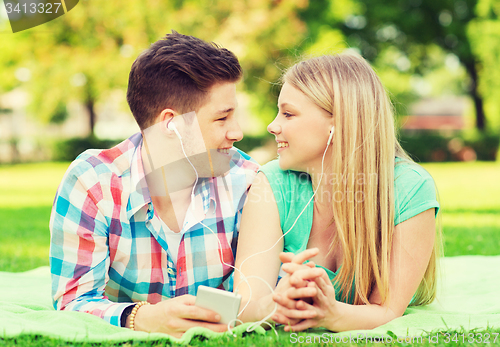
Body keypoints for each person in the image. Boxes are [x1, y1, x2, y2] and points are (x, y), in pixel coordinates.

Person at [49, 31, 259, 337]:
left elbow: (263, 293)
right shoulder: (92, 183)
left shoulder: (247, 180)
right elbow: (72, 301)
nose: (237, 132)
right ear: (171, 124)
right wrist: (143, 318)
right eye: (222, 118)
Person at [233, 53, 440, 332]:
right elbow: (247, 304)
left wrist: (330, 314)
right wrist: (281, 302)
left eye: (288, 113)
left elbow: (388, 310)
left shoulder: (408, 187)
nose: (273, 125)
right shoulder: (271, 182)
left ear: (338, 121)